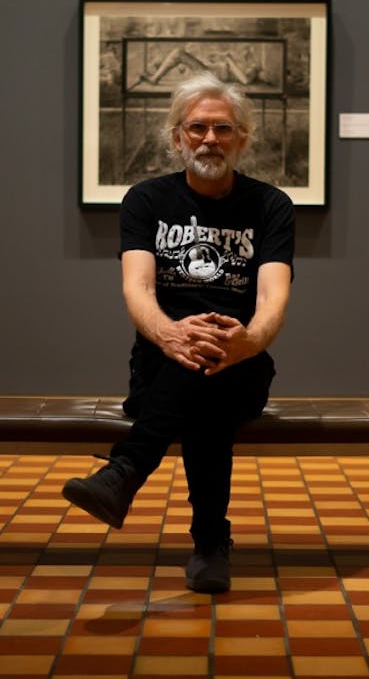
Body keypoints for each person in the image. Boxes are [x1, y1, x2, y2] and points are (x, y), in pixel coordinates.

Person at [62, 71, 295, 593]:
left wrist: (248, 342)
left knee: (210, 372)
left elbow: (273, 297)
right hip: (159, 362)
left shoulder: (271, 205)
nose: (210, 139)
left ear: (242, 139)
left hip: (243, 364)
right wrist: (171, 334)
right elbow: (138, 288)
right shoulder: (145, 201)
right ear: (177, 137)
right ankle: (210, 545)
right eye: (197, 128)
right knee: (200, 382)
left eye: (223, 128)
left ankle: (124, 472)